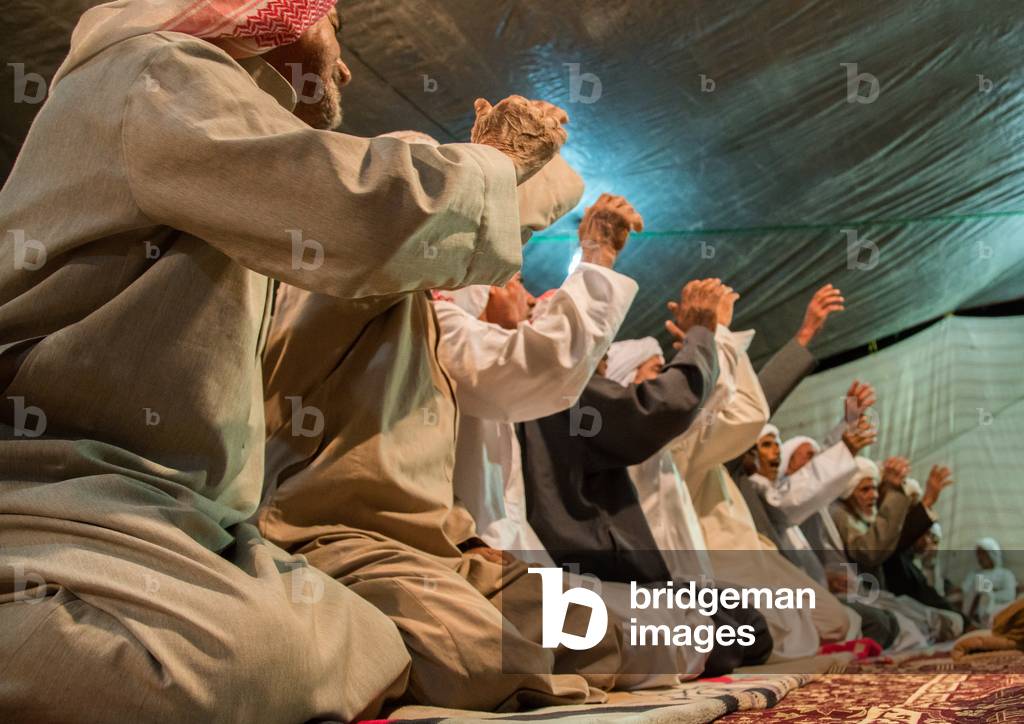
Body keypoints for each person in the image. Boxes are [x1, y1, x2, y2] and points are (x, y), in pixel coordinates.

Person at [0, 1, 570, 720]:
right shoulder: (155, 73)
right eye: (336, 27)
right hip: (59, 492)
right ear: (272, 14)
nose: (345, 64)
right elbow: (366, 209)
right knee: (261, 659)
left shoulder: (246, 196)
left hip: (189, 520)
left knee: (374, 640)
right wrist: (504, 162)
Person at [259, 132, 631, 710]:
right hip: (340, 540)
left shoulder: (429, 319)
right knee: (483, 661)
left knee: (599, 636)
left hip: (445, 548)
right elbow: (537, 362)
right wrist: (497, 159)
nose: (517, 280)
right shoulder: (345, 280)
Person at [520, 280, 775, 675]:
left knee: (748, 625)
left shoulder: (548, 390)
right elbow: (672, 405)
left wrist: (706, 341)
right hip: (599, 578)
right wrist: (706, 336)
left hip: (637, 579)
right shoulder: (556, 388)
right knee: (733, 634)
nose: (526, 297)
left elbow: (705, 403)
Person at [436, 193, 642, 558]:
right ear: (479, 288)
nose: (529, 298)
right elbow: (546, 359)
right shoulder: (442, 330)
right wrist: (598, 253)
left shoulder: (470, 352)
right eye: (515, 280)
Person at [962, 537, 1018, 628]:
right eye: (978, 554)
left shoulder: (1006, 574)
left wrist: (989, 595)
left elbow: (1009, 594)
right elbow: (967, 594)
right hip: (976, 612)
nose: (980, 557)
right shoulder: (973, 575)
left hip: (999, 608)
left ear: (992, 554)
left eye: (983, 553)